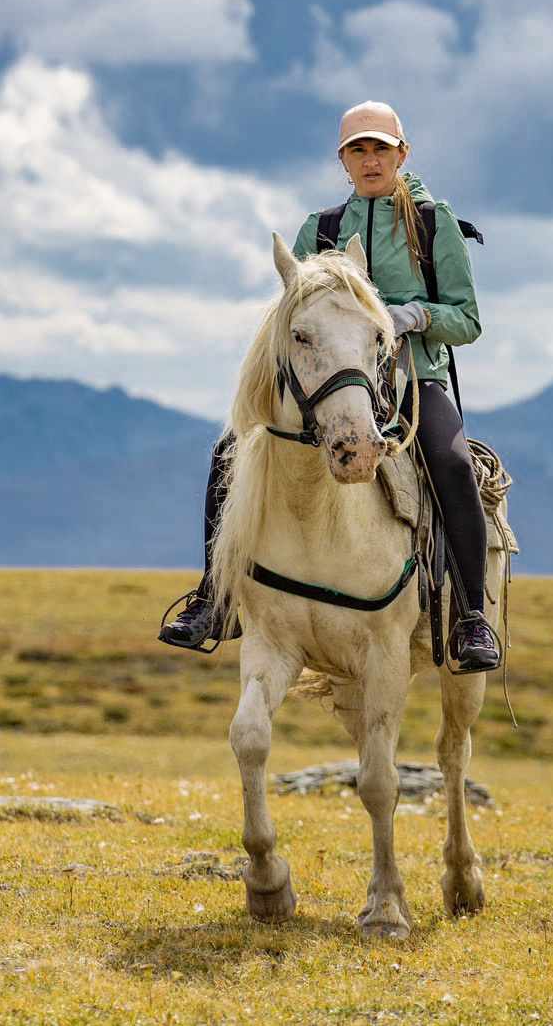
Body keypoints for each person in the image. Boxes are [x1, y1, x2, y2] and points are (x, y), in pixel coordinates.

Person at [159, 101, 501, 673]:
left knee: (452, 462)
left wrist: (415, 315)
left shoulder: (433, 222)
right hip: (328, 384)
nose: (370, 160)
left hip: (414, 378)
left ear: (402, 154)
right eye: (357, 150)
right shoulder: (319, 230)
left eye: (381, 149)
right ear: (343, 160)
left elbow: (467, 320)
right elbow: (292, 316)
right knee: (230, 452)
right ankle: (215, 599)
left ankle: (471, 618)